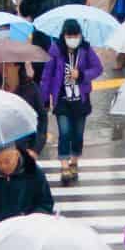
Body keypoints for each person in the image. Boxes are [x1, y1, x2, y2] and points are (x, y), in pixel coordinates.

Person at [40, 19, 100, 186]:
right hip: (62, 99)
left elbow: (97, 68)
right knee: (65, 133)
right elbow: (47, 76)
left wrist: (81, 75)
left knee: (78, 134)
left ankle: (74, 161)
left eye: (75, 35)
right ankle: (64, 166)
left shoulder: (85, 49)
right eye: (69, 35)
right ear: (63, 35)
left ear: (80, 35)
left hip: (80, 100)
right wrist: (45, 98)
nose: (72, 38)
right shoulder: (55, 50)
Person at [0, 140, 54, 228]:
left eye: (7, 162)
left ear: (16, 154)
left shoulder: (33, 172)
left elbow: (46, 203)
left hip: (27, 227)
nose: (3, 166)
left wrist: (30, 219)